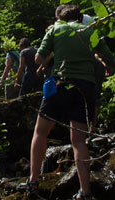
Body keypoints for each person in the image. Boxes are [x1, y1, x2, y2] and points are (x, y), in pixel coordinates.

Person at [18, 6, 115, 200]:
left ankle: (33, 182)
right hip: (85, 87)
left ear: (60, 18)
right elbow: (109, 57)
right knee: (79, 140)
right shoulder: (90, 30)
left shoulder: (56, 29)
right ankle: (85, 192)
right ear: (80, 18)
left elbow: (38, 58)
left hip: (61, 83)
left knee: (40, 132)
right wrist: (108, 68)